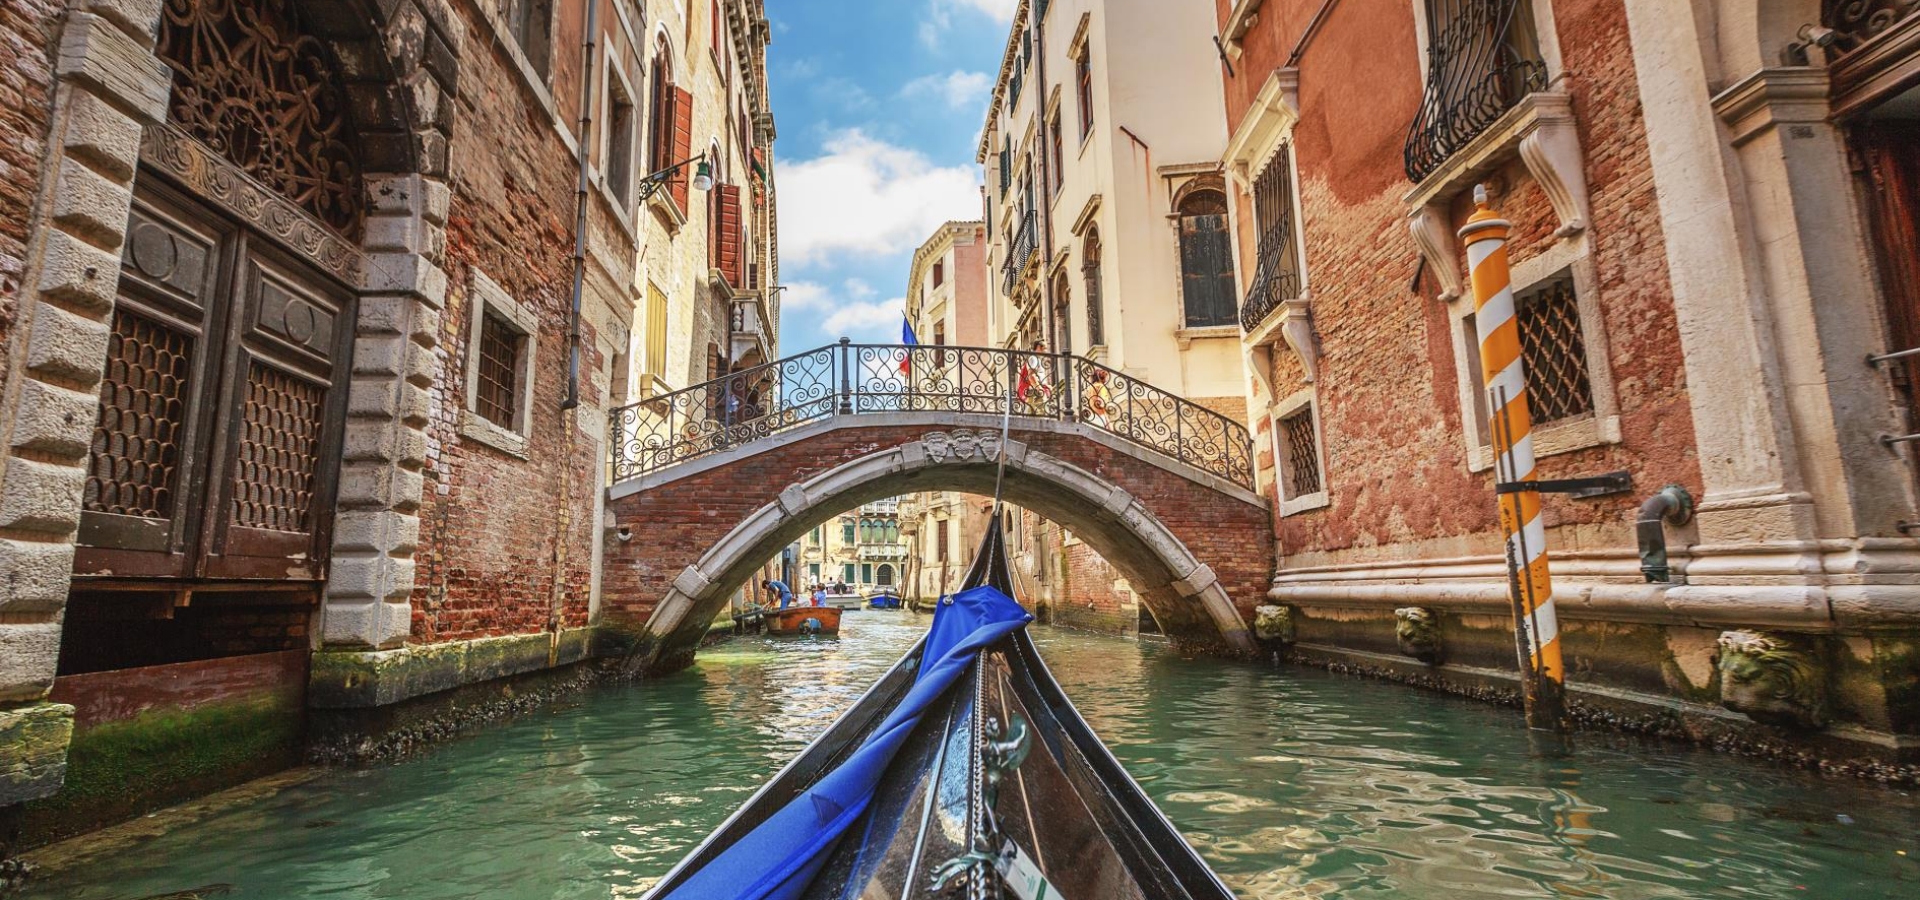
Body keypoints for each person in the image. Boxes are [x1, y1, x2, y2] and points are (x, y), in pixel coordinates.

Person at [1017, 339, 1054, 415]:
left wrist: (1046, 386)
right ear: (1038, 347)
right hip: (1036, 392)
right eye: (1045, 348)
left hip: (1036, 390)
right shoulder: (1033, 358)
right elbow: (1031, 375)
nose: (1046, 351)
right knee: (1041, 414)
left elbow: (1037, 377)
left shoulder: (1037, 359)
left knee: (1034, 414)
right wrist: (1039, 389)